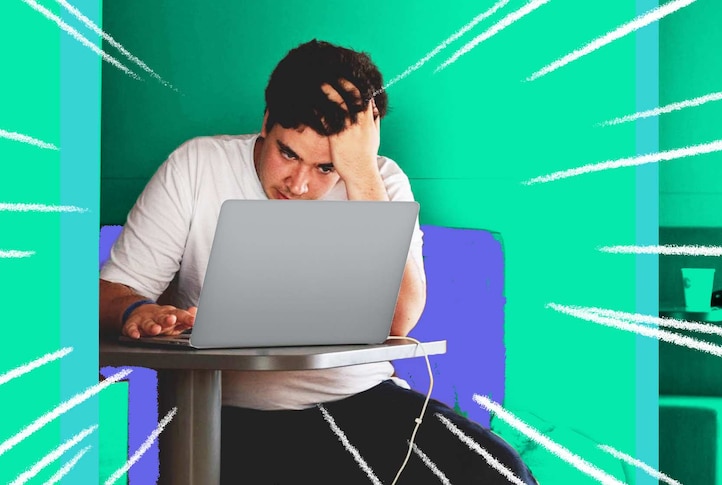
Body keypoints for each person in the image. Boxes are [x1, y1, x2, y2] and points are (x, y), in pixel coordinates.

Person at [99, 39, 538, 484]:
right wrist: (139, 311)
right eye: (287, 153)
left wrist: (362, 174)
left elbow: (400, 320)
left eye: (326, 168)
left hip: (362, 399)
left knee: (503, 473)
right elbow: (108, 294)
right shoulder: (197, 166)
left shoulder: (380, 180)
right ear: (267, 122)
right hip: (227, 414)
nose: (300, 184)